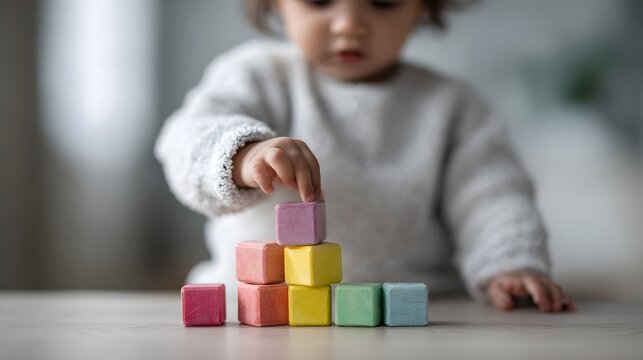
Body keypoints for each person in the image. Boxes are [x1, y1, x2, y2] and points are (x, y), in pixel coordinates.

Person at [155, 0, 575, 313]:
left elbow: (491, 193)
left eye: (383, 2)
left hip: (412, 313)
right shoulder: (256, 75)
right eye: (320, 1)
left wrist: (509, 261)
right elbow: (185, 139)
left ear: (422, 9)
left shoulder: (452, 105)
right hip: (259, 312)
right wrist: (243, 154)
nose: (349, 24)